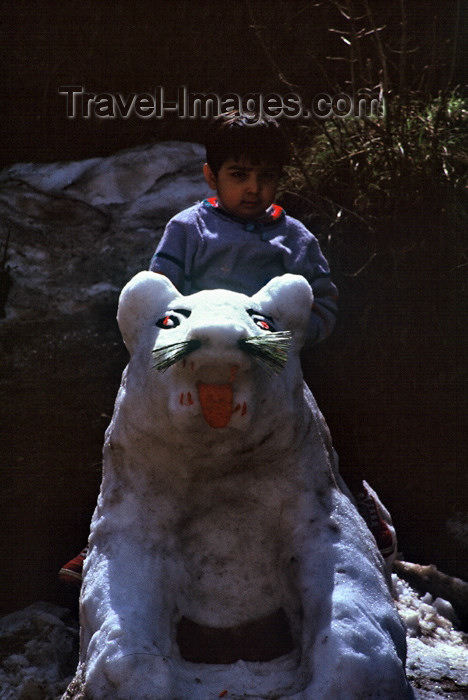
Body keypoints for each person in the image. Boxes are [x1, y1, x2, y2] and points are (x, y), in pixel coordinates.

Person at [59, 110, 394, 586]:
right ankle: (103, 532)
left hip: (274, 358)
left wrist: (292, 340)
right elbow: (164, 296)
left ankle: (354, 496)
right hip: (199, 357)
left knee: (333, 409)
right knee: (130, 421)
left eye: (266, 176)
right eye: (239, 175)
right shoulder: (188, 229)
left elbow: (325, 300)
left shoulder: (294, 238)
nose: (253, 188)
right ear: (211, 177)